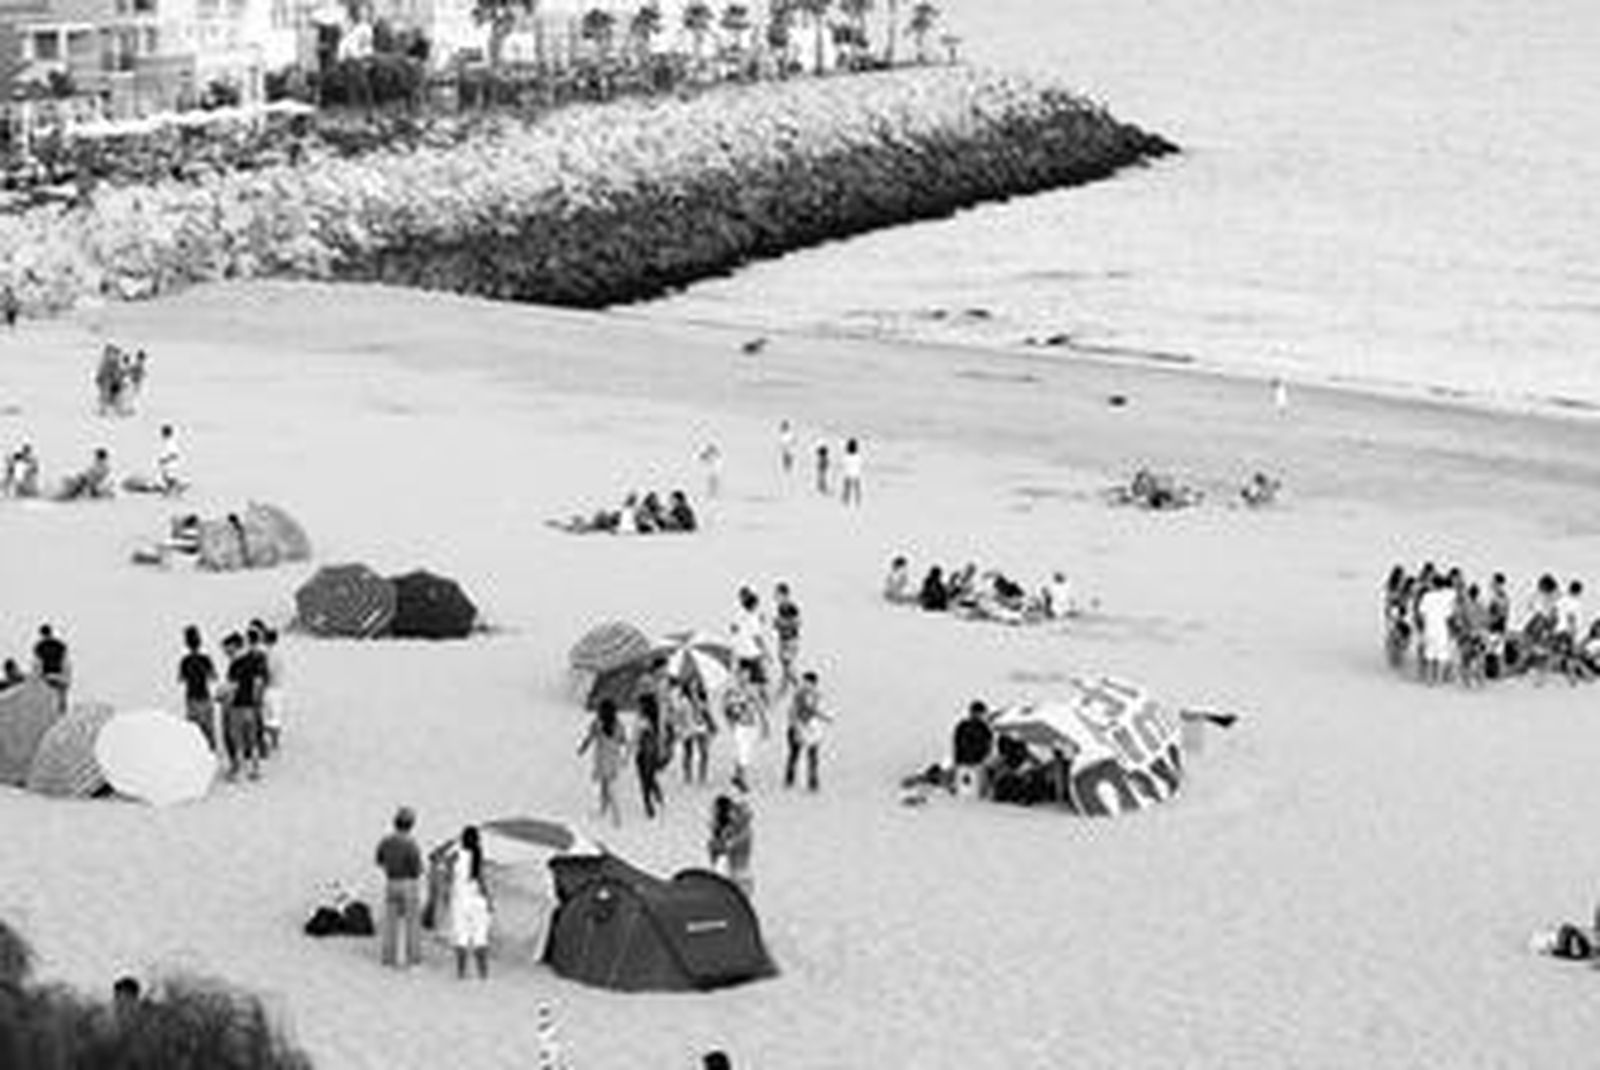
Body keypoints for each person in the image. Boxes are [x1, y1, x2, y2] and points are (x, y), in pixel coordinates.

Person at [375, 806, 424, 969]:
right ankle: (412, 957)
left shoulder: (386, 841)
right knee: (412, 921)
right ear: (411, 825)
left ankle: (389, 956)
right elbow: (416, 869)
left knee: (390, 921)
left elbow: (379, 860)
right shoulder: (411, 844)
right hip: (408, 883)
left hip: (391, 881)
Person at [220, 631, 266, 780]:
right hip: (251, 707)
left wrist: (223, 698)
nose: (226, 652)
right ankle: (255, 770)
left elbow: (233, 687)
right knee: (252, 740)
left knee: (238, 740)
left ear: (234, 646)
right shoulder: (252, 660)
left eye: (227, 649)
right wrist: (256, 701)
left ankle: (237, 771)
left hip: (237, 707)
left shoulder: (235, 665)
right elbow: (258, 683)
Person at [449, 826, 492, 980]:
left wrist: (449, 843)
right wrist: (489, 900)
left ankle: (461, 973)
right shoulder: (478, 856)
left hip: (460, 901)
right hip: (477, 900)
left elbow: (435, 858)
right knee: (480, 938)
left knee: (461, 938)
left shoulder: (455, 856)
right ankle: (483, 973)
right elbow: (481, 880)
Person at [577, 699, 627, 827]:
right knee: (607, 787)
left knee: (606, 788)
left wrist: (582, 748)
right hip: (613, 759)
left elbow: (589, 738)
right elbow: (623, 741)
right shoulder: (618, 725)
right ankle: (606, 812)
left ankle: (615, 817)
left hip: (601, 759)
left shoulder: (597, 724)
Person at [722, 663, 769, 792]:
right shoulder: (732, 691)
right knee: (742, 753)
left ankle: (737, 776)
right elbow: (725, 708)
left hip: (751, 725)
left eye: (747, 674)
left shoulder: (751, 690)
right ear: (737, 675)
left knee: (745, 753)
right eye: (742, 674)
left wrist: (765, 725)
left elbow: (760, 708)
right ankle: (742, 780)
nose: (745, 677)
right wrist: (729, 722)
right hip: (739, 725)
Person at [784, 671, 831, 792]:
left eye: (808, 683)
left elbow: (814, 710)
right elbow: (792, 712)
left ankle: (813, 781)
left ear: (814, 684)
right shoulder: (798, 695)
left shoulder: (816, 696)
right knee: (794, 755)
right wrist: (796, 728)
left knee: (813, 756)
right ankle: (789, 778)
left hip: (810, 728)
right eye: (804, 682)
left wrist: (825, 717)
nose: (805, 685)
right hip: (797, 727)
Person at [177, 625, 218, 752]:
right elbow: (213, 677)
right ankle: (212, 753)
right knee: (209, 729)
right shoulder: (205, 659)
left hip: (192, 698)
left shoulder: (185, 661)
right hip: (205, 696)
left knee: (195, 729)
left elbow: (180, 679)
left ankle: (199, 755)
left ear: (186, 643)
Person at [668, 676, 714, 785]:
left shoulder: (702, 698)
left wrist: (701, 704)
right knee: (688, 752)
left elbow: (707, 713)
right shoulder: (683, 700)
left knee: (704, 752)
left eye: (696, 684)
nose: (694, 686)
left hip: (701, 726)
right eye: (692, 684)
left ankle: (702, 777)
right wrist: (678, 726)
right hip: (688, 728)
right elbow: (678, 714)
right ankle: (687, 776)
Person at [729, 587, 770, 705]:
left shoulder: (739, 615)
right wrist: (767, 653)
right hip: (753, 654)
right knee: (762, 685)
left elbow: (733, 629)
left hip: (741, 654)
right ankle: (767, 710)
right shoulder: (753, 618)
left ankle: (744, 705)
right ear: (754, 605)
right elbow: (757, 638)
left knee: (743, 683)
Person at [707, 792, 754, 897]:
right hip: (732, 873)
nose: (732, 815)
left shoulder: (743, 833)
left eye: (735, 813)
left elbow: (725, 848)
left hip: (739, 877)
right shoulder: (731, 830)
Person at [1416, 576, 1457, 685]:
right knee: (1441, 655)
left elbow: (1421, 613)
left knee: (1429, 654)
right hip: (1442, 629)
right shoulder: (1445, 598)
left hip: (1429, 628)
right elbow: (1449, 615)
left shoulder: (1426, 597)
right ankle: (1439, 679)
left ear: (1433, 584)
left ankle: (1429, 679)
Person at [634, 692, 668, 819]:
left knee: (644, 779)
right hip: (651, 749)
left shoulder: (644, 720)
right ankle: (656, 794)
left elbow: (637, 736)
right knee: (649, 776)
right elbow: (661, 735)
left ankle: (648, 804)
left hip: (645, 750)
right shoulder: (655, 719)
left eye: (639, 705)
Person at [951, 701, 995, 798]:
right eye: (978, 713)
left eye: (981, 714)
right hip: (971, 763)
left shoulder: (984, 728)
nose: (979, 716)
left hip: (975, 763)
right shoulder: (965, 726)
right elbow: (958, 744)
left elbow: (988, 746)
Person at [259, 626, 287, 755]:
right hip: (279, 687)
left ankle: (270, 741)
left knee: (266, 716)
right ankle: (275, 741)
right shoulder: (280, 653)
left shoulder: (267, 654)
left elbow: (267, 672)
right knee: (276, 715)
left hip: (269, 688)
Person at [32, 624, 69, 712]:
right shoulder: (60, 645)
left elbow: (37, 663)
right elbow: (65, 661)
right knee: (60, 695)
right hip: (58, 674)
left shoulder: (39, 647)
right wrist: (66, 677)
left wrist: (37, 675)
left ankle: (56, 712)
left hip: (47, 675)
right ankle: (61, 711)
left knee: (51, 696)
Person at [772, 582, 801, 694]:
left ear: (784, 594)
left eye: (777, 594)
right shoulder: (780, 607)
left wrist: (782, 624)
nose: (775, 596)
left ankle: (799, 689)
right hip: (783, 639)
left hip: (790, 641)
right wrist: (778, 624)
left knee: (789, 667)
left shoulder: (791, 607)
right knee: (785, 667)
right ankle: (783, 688)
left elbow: (797, 623)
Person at [155, 424, 183, 495]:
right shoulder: (167, 442)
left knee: (169, 478)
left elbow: (174, 454)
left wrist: (165, 460)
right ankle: (170, 490)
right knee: (166, 477)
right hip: (167, 465)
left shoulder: (170, 443)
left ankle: (172, 490)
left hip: (170, 465)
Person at [840, 437, 863, 506]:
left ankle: (846, 502)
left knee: (847, 490)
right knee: (857, 490)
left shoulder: (846, 456)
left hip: (848, 474)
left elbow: (843, 464)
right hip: (856, 474)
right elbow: (860, 464)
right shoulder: (858, 456)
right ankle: (857, 502)